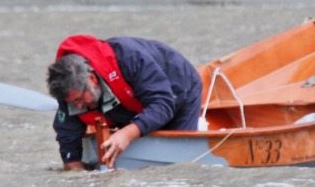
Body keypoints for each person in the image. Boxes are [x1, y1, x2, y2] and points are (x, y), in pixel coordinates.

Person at [46, 35, 203, 170]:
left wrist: (127, 134)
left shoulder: (130, 58)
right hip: (129, 105)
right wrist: (75, 171)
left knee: (179, 162)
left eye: (80, 100)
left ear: (92, 79)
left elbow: (162, 105)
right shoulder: (68, 88)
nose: (79, 106)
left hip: (179, 88)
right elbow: (67, 135)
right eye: (73, 103)